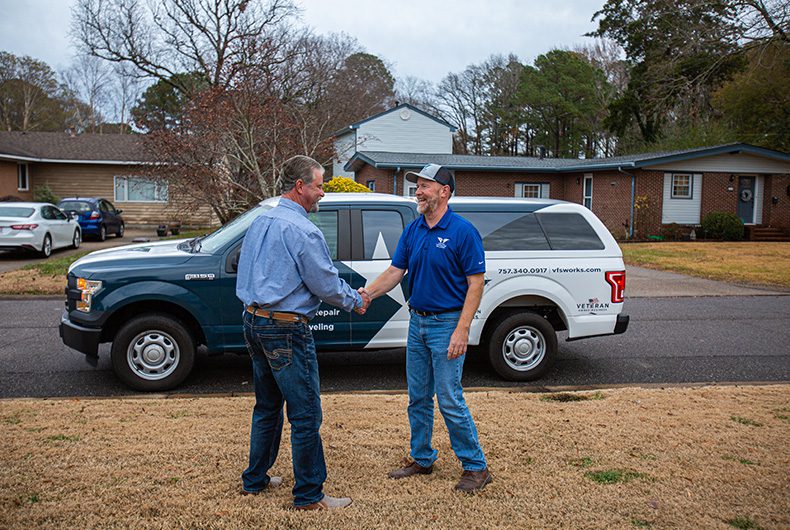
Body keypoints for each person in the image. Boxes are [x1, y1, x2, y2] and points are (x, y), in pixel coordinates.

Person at [236, 155, 370, 510]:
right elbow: (325, 282)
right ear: (300, 187)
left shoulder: (261, 218)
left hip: (253, 320)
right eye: (320, 185)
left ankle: (255, 480)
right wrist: (356, 299)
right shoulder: (303, 230)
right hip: (284, 330)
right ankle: (309, 495)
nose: (322, 193)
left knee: (267, 406)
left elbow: (246, 269)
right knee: (306, 414)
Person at [362, 163, 492, 492]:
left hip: (447, 324)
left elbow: (476, 284)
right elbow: (395, 272)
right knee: (418, 397)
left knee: (449, 397)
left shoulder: (463, 231)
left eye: (424, 185)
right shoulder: (414, 229)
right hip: (417, 322)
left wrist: (462, 330)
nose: (418, 191)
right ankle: (422, 458)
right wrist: (366, 295)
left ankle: (476, 466)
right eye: (417, 185)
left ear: (444, 191)